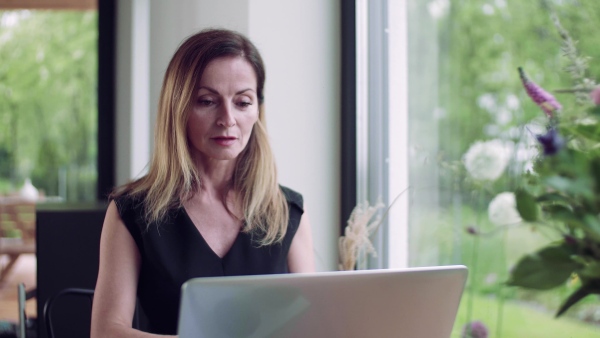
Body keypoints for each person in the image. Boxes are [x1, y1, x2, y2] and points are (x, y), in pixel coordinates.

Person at [90, 28, 315, 337]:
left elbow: (315, 325)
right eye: (208, 101)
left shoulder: (287, 213)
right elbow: (106, 331)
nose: (227, 118)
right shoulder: (131, 212)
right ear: (178, 107)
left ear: (258, 111)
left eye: (243, 102)